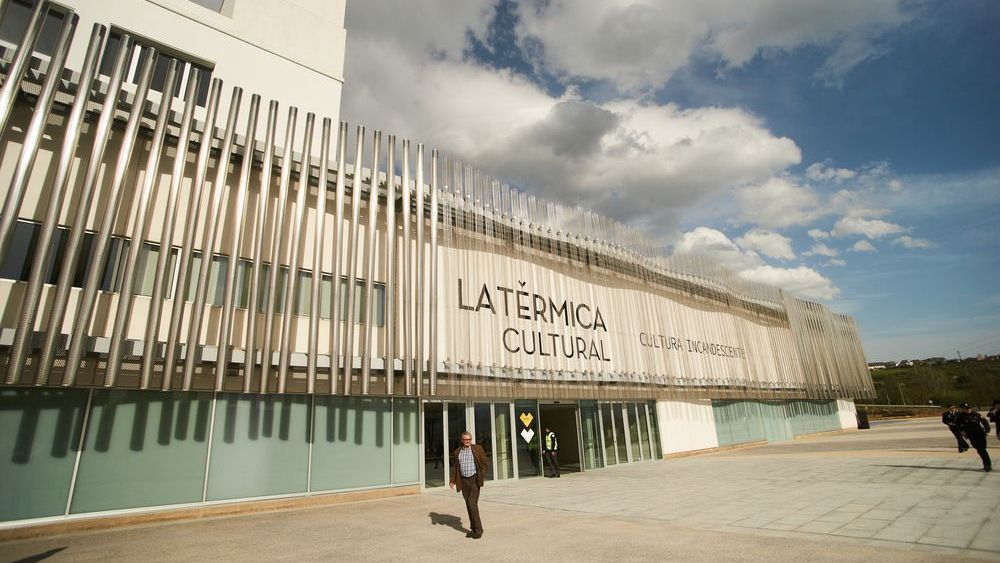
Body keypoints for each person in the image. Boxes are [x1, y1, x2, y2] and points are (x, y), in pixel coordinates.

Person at [449, 431, 489, 539]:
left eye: (469, 439)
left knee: (472, 504)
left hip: (475, 480)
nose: (468, 441)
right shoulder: (457, 452)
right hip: (463, 481)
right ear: (462, 440)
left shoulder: (477, 449)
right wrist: (452, 481)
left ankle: (479, 530)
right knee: (468, 504)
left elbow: (485, 463)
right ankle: (473, 529)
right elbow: (456, 468)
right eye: (466, 440)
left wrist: (482, 475)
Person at [956, 403, 992, 472]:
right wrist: (962, 431)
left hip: (980, 434)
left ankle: (987, 465)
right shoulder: (960, 417)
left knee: (982, 449)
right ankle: (987, 464)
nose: (968, 410)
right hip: (971, 435)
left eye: (969, 408)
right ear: (963, 409)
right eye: (966, 409)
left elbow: (984, 421)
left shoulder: (976, 414)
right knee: (979, 449)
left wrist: (987, 430)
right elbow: (958, 426)